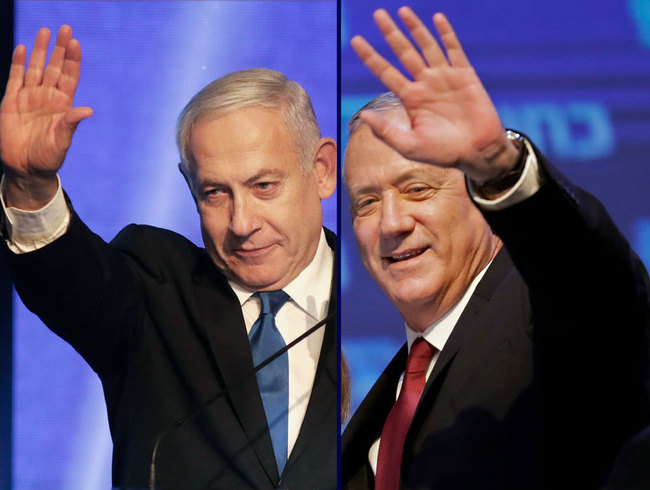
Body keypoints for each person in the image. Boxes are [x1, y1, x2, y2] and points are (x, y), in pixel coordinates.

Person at [0, 25, 337, 488]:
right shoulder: (153, 289)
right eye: (215, 192)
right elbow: (68, 282)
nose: (242, 223)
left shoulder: (383, 295)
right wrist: (30, 186)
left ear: (321, 171)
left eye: (264, 186)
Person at [341, 7, 650, 490]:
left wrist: (497, 166)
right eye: (366, 202)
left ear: (480, 199)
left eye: (418, 189)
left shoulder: (540, 319)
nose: (392, 223)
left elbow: (592, 282)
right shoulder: (386, 403)